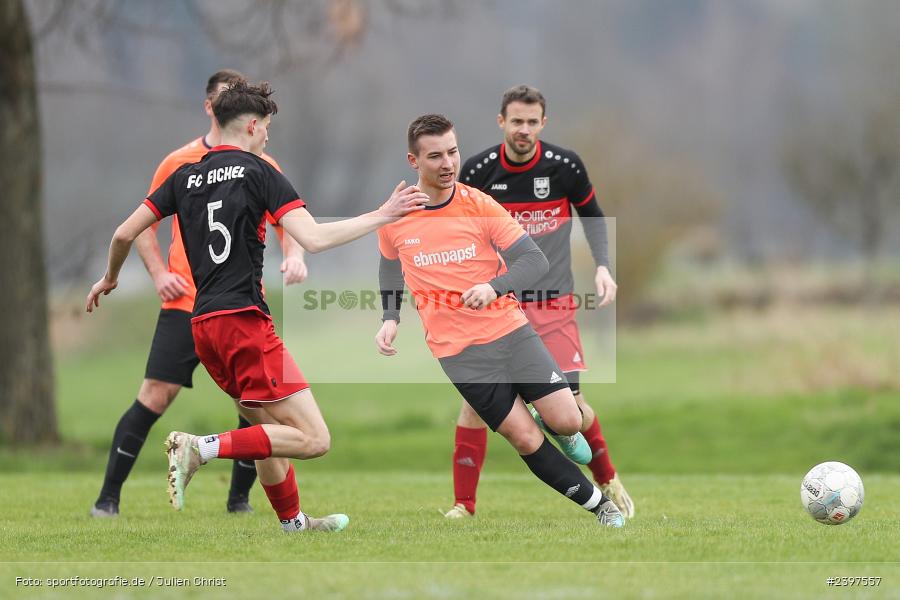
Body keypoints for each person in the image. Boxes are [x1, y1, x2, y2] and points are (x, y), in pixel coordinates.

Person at [86, 80, 428, 533]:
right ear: (251, 125)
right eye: (266, 127)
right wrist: (383, 214)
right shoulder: (259, 171)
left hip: (203, 326)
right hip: (244, 323)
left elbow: (123, 234)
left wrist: (110, 277)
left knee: (265, 426)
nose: (267, 136)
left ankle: (294, 523)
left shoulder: (185, 175)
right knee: (314, 438)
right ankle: (199, 449)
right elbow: (313, 238)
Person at [375, 114, 625, 527]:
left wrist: (494, 288)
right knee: (523, 437)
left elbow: (534, 260)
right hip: (459, 354)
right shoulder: (396, 216)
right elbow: (389, 266)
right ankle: (601, 506)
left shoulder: (478, 204)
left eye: (453, 152)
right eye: (435, 156)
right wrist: (390, 316)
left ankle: (553, 419)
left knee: (568, 419)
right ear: (413, 161)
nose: (447, 163)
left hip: (510, 332)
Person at [89, 70, 308, 519]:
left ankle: (240, 502)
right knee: (157, 395)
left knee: (252, 407)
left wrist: (295, 256)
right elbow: (140, 226)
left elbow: (290, 221)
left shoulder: (261, 163)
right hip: (186, 303)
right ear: (211, 107)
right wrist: (158, 275)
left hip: (236, 303)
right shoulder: (180, 164)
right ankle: (107, 500)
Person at [444, 86, 635, 520]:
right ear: (502, 122)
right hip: (499, 305)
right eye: (517, 121)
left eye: (532, 122)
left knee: (573, 409)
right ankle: (463, 506)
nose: (524, 130)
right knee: (474, 405)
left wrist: (603, 267)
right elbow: (458, 231)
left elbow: (592, 215)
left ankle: (606, 477)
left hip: (554, 305)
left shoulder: (565, 166)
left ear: (543, 123)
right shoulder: (479, 171)